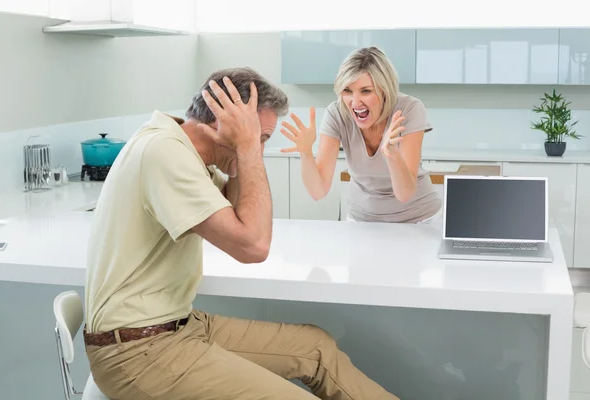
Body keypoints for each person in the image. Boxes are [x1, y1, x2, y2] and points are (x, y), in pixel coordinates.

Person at [83, 67, 400, 400]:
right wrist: (246, 145)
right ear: (220, 120)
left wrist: (242, 151)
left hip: (179, 326)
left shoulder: (185, 150)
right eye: (261, 137)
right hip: (138, 352)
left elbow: (238, 210)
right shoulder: (165, 153)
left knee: (316, 348)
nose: (260, 149)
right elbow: (253, 245)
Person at [281, 47, 441, 223]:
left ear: (385, 90)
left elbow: (405, 193)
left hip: (418, 220)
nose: (355, 102)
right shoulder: (337, 114)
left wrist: (391, 153)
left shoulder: (409, 109)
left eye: (366, 91)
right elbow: (318, 191)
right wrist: (306, 153)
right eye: (347, 91)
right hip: (362, 221)